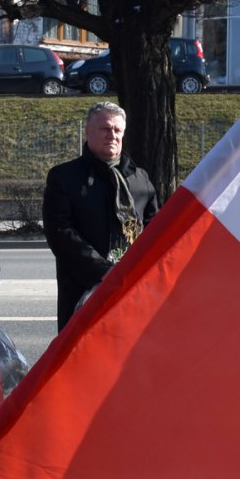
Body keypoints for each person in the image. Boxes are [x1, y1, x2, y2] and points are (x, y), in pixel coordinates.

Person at [42, 101, 159, 330]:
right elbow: (60, 232)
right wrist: (104, 273)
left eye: (117, 130)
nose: (112, 135)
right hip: (83, 290)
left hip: (134, 290)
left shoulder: (140, 178)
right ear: (87, 131)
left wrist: (138, 270)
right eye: (105, 129)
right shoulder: (64, 177)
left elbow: (155, 228)